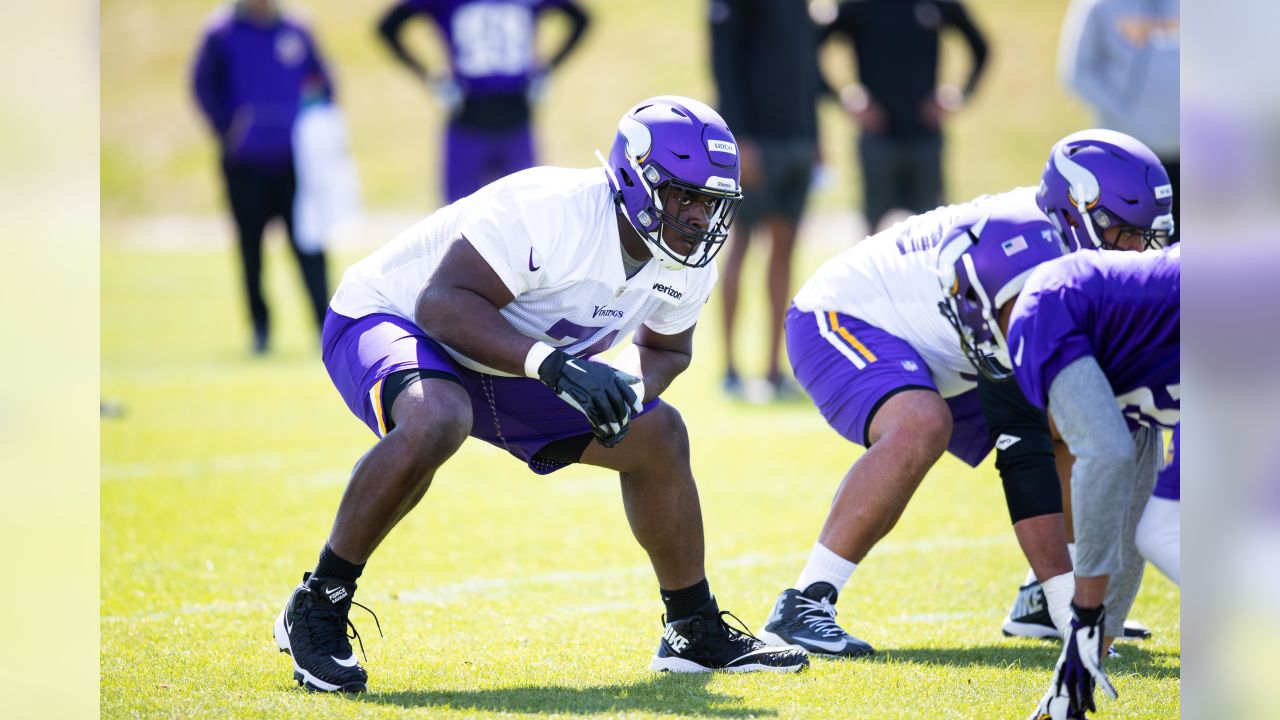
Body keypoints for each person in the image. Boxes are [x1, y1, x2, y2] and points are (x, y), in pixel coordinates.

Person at [271, 96, 808, 693]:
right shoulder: (549, 210)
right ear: (634, 177)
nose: (696, 217)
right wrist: (553, 365)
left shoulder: (684, 254)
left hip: (509, 352)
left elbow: (667, 350)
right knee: (437, 418)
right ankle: (317, 604)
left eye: (711, 202)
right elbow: (441, 302)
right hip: (393, 316)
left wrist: (628, 386)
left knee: (658, 434)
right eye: (682, 195)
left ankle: (691, 628)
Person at [935, 233, 1178, 719]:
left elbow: (1104, 456)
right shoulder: (1116, 331)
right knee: (1162, 530)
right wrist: (1084, 657)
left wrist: (1085, 618)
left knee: (1175, 535)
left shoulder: (1041, 307)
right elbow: (1130, 506)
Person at [1000, 128, 1174, 642]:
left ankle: (1059, 602)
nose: (1139, 249)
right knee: (1104, 435)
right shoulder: (1029, 267)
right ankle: (1061, 601)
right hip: (938, 365)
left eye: (1146, 234)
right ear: (1078, 213)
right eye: (1124, 232)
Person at [191, 0, 334, 354]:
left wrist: (310, 122)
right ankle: (260, 330)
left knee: (309, 244)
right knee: (251, 249)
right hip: (245, 162)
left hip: (294, 160)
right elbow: (203, 85)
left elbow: (321, 81)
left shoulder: (296, 29)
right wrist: (230, 127)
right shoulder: (220, 32)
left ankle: (326, 328)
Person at [709, 0, 822, 400]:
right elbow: (724, 62)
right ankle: (731, 369)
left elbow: (807, 66)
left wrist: (814, 137)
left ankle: (775, 370)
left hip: (797, 140)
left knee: (785, 249)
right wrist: (738, 137)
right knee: (739, 244)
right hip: (754, 142)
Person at [377, 0, 589, 205]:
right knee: (457, 219)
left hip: (515, 115)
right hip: (468, 115)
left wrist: (547, 71)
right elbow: (388, 26)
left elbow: (580, 18)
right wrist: (428, 77)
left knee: (527, 212)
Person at [818, 0, 988, 232]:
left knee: (936, 228)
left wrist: (959, 93)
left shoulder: (936, 5)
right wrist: (845, 97)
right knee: (873, 229)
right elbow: (811, 45)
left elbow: (980, 47)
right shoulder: (858, 7)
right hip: (878, 135)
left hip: (924, 134)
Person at [1059, 0, 1180, 243]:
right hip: (1127, 158)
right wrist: (1129, 114)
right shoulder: (1098, 6)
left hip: (1191, 152)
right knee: (1127, 251)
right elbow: (1078, 73)